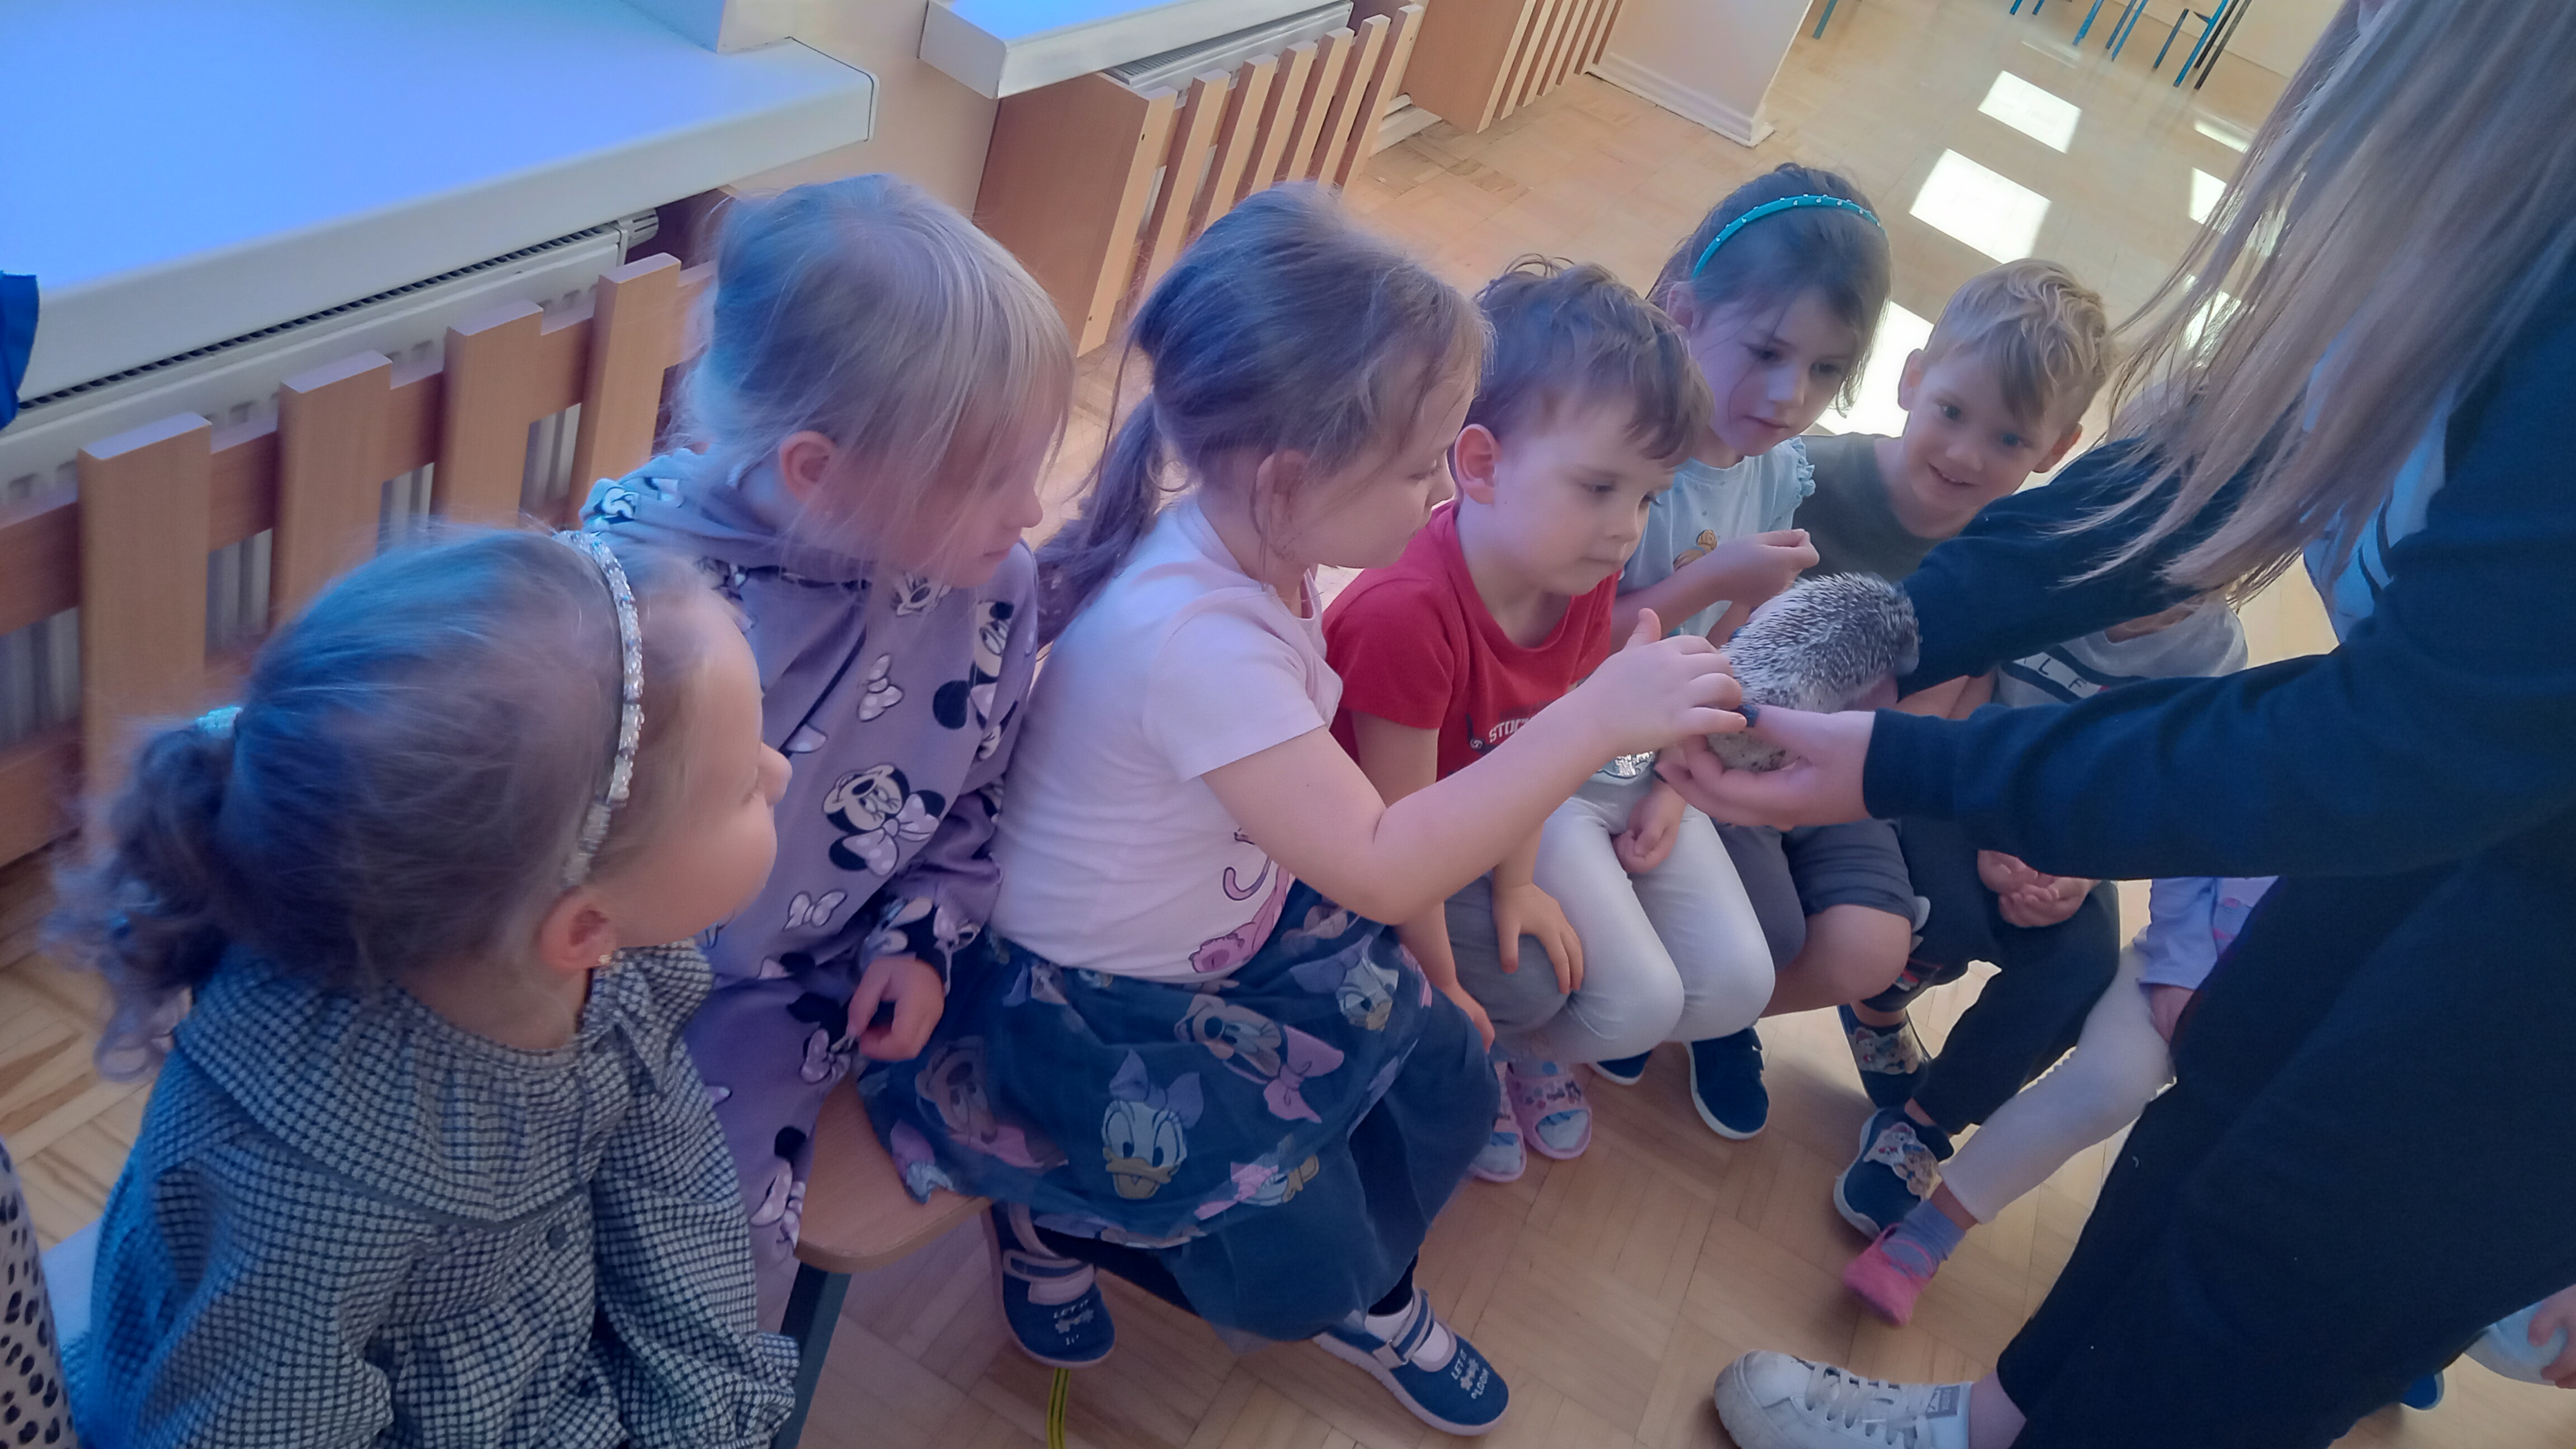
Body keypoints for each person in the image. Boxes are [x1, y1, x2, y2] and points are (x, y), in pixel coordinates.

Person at [1665, 3, 2576, 1444]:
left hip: (2528, 908)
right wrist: (1885, 633)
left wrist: (1914, 760)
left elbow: (2389, 743)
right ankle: (2005, 1418)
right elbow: (2168, 496)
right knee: (2225, 1090)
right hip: (2450, 816)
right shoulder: (2454, 229)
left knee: (2293, 1259)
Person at [860, 188, 1742, 1437]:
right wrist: (1596, 718)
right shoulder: (1196, 639)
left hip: (1220, 931)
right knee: (1295, 1232)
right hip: (1097, 1005)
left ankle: (1359, 1286)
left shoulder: (1260, 549)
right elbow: (1383, 864)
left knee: (1444, 1063)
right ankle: (1062, 1227)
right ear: (1288, 481)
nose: (1438, 492)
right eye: (1417, 468)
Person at [55, 531, 799, 1447]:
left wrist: (706, 1419)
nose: (781, 771)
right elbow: (253, 1426)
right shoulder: (307, 1183)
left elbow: (670, 1192)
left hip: (534, 1352)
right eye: (743, 785)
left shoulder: (602, 968)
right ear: (580, 926)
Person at [583, 174, 1069, 1310]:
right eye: (991, 477)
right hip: (600, 988)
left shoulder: (991, 581)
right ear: (817, 470)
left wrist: (922, 937)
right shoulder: (624, 609)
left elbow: (976, 792)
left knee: (709, 1276)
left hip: (786, 1006)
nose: (1031, 510)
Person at [1326, 257, 1767, 1182]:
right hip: (1356, 865)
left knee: (1549, 957)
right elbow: (1395, 848)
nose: (1626, 528)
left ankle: (1474, 1042)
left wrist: (1517, 884)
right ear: (1482, 464)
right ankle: (1431, 1061)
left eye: (1645, 496)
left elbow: (1531, 748)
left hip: (1463, 826)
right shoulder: (1406, 614)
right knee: (1523, 985)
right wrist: (1445, 987)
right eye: (1599, 487)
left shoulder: (1579, 578)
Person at [1589, 164, 1904, 1143]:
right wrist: (1716, 574)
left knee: (1761, 945)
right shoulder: (1619, 449)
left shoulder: (1774, 474)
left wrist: (1676, 782)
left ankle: (1622, 1015)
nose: (1790, 395)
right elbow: (1559, 639)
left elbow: (1726, 648)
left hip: (1650, 752)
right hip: (1552, 734)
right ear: (1684, 311)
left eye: (1826, 371)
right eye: (1768, 351)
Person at [1840, 608, 2261, 1324]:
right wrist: (1982, 817)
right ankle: (1877, 1010)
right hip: (1960, 788)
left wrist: (2080, 870)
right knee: (1938, 909)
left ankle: (1923, 1128)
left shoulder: (2216, 653)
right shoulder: (2060, 576)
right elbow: (1965, 686)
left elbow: (2153, 792)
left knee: (2080, 969)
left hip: (2070, 842)